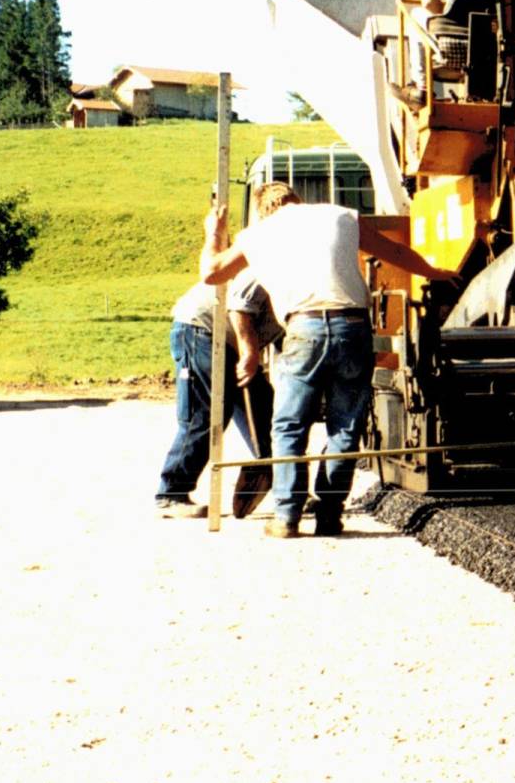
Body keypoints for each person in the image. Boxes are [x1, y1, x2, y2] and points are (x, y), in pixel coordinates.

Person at [198, 182, 453, 539]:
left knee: (289, 426)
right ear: (297, 201)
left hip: (305, 328)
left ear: (262, 209)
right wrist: (437, 273)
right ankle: (330, 515)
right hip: (353, 327)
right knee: (345, 428)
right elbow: (394, 250)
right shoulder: (341, 215)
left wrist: (214, 233)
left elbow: (212, 272)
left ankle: (286, 517)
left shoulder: (259, 233)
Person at [152, 274, 282, 519]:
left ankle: (273, 474)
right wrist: (250, 352)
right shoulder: (278, 264)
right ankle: (171, 493)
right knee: (209, 411)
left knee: (262, 402)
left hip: (232, 339)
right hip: (202, 328)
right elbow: (238, 307)